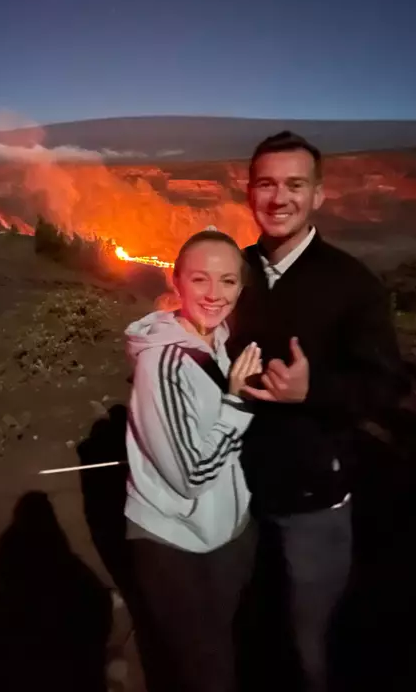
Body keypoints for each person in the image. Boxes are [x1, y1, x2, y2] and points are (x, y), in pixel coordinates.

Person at [227, 131, 408, 692]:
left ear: (319, 196)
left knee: (313, 640)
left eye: (295, 185)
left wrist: (315, 390)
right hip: (232, 493)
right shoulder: (234, 272)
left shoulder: (352, 284)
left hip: (312, 500)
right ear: (249, 191)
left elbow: (386, 385)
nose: (279, 198)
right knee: (249, 627)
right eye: (266, 184)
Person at [124, 229, 301, 692]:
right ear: (176, 281)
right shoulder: (161, 363)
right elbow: (192, 476)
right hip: (176, 543)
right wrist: (237, 403)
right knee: (207, 670)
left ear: (241, 288)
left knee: (230, 646)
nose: (214, 294)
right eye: (200, 279)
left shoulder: (221, 339)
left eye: (227, 282)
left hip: (228, 533)